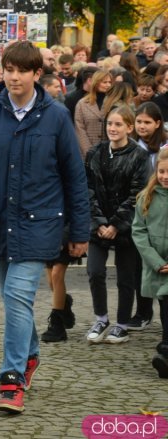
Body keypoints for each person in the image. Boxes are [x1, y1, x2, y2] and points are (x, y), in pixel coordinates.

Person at [0, 41, 90, 414]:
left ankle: (11, 379)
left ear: (36, 74)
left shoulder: (56, 116)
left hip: (39, 225)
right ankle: (30, 355)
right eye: (8, 69)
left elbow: (74, 177)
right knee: (12, 300)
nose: (13, 77)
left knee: (17, 297)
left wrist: (80, 232)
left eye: (21, 71)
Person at [85, 105, 150, 345]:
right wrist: (100, 222)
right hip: (98, 224)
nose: (113, 128)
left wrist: (116, 223)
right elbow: (88, 189)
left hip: (127, 225)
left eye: (118, 124)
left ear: (129, 128)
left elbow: (137, 194)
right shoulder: (95, 153)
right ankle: (101, 317)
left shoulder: (139, 156)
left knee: (126, 277)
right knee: (95, 271)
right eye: (110, 124)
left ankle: (121, 323)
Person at [129, 102, 168, 330]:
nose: (142, 126)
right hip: (145, 207)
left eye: (147, 122)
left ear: (157, 123)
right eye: (139, 121)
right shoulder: (133, 146)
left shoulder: (163, 147)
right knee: (141, 268)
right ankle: (143, 311)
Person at [132, 148, 168, 378]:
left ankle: (165, 350)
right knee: (165, 307)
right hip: (160, 267)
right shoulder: (147, 197)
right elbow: (139, 231)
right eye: (162, 171)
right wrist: (155, 261)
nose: (165, 176)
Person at [74, 70, 113, 158]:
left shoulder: (114, 102)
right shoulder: (82, 103)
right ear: (96, 83)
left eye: (110, 82)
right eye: (104, 82)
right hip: (87, 153)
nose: (108, 85)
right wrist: (89, 151)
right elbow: (79, 129)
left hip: (110, 152)